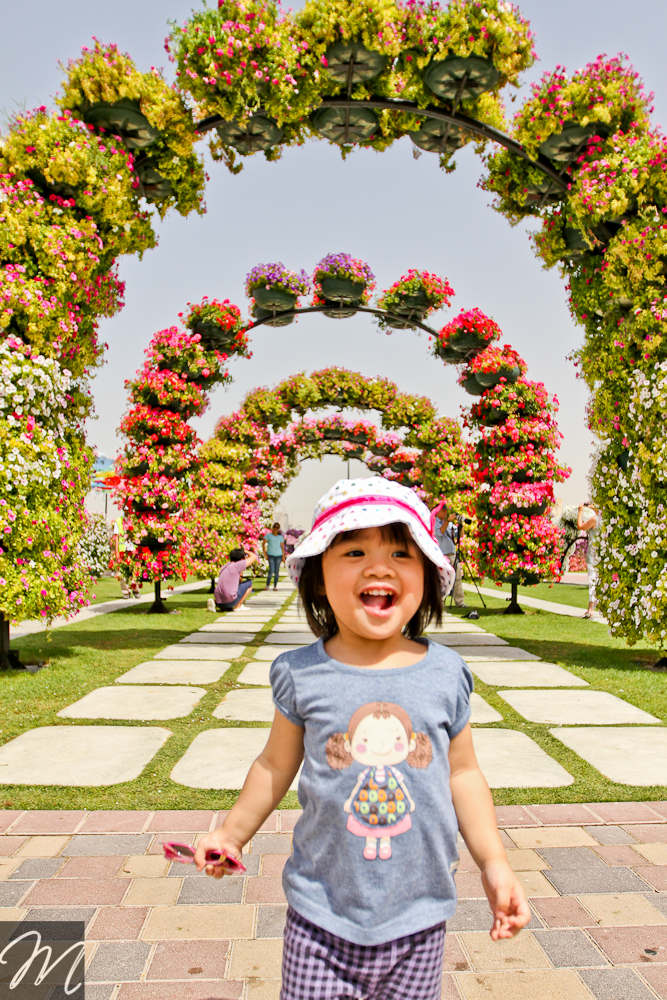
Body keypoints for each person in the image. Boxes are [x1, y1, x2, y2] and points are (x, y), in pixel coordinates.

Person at [195, 477, 530, 1000]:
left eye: (401, 550)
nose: (379, 566)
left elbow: (463, 774)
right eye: (354, 550)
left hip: (420, 919)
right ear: (319, 577)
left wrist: (495, 863)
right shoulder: (302, 673)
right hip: (320, 918)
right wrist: (232, 834)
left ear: (426, 574)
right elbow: (273, 766)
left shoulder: (446, 674)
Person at [433, 504, 466, 608]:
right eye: (443, 511)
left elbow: (459, 536)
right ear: (437, 511)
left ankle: (460, 602)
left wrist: (462, 525)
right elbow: (439, 533)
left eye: (446, 511)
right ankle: (439, 602)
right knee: (441, 579)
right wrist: (447, 521)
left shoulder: (450, 524)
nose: (445, 513)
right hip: (441, 555)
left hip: (452, 554)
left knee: (457, 578)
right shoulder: (434, 523)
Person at [207, 547, 258, 612]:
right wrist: (245, 551)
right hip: (229, 601)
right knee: (249, 583)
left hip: (219, 602)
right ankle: (238, 606)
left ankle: (215, 602)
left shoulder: (225, 566)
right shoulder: (237, 565)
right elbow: (254, 557)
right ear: (242, 558)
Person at [577, 502, 601, 619]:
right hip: (603, 556)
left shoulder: (594, 519)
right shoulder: (606, 520)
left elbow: (580, 526)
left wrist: (580, 511)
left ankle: (590, 609)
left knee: (593, 581)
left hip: (594, 555)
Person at [111, 514, 139, 599]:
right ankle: (126, 592)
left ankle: (135, 590)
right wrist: (116, 552)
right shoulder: (119, 520)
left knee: (134, 571)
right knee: (122, 572)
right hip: (122, 550)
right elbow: (116, 537)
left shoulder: (134, 519)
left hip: (132, 549)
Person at [263, 522, 286, 591]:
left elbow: (282, 547)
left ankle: (275, 586)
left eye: (277, 528)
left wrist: (283, 557)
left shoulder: (280, 537)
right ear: (273, 528)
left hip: (278, 555)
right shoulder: (268, 536)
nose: (276, 529)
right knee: (271, 570)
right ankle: (267, 585)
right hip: (271, 555)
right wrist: (265, 554)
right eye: (275, 527)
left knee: (276, 571)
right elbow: (263, 544)